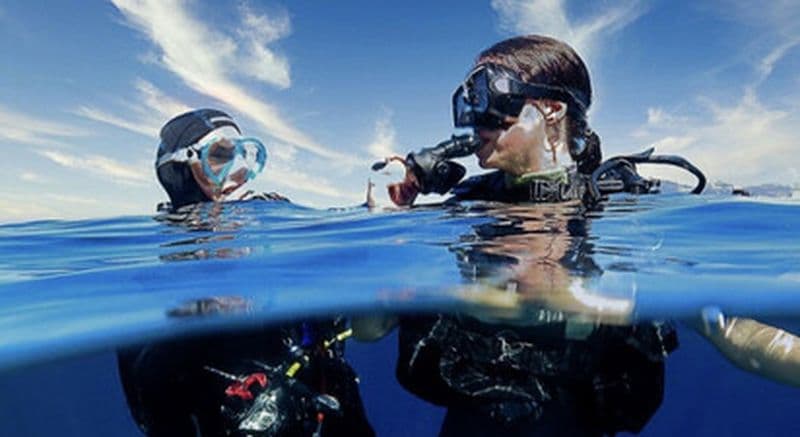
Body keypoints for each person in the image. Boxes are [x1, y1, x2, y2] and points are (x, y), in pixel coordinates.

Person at [361, 35, 800, 436]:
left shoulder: (624, 208)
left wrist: (588, 301)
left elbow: (736, 334)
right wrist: (384, 225)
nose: (474, 118)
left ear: (552, 109)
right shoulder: (463, 208)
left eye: (487, 95)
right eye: (466, 101)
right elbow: (369, 329)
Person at [118, 108, 375, 437]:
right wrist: (202, 308)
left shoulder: (273, 214)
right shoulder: (161, 292)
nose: (240, 173)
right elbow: (153, 401)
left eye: (247, 155)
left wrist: (372, 211)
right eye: (221, 156)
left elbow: (345, 236)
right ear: (179, 171)